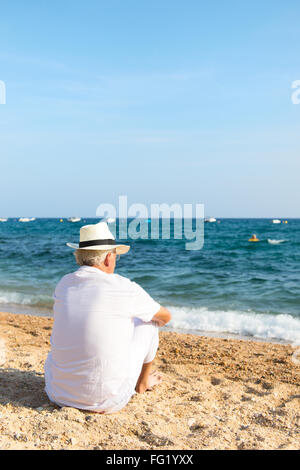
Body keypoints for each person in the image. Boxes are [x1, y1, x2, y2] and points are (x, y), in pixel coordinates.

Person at [44, 222, 171, 414]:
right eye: (116, 256)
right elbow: (165, 316)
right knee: (149, 321)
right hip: (106, 401)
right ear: (108, 258)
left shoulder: (64, 283)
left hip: (57, 394)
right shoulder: (123, 287)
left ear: (80, 256)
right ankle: (142, 382)